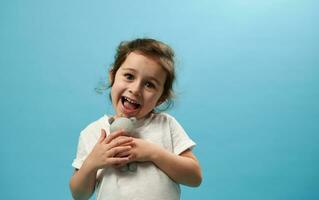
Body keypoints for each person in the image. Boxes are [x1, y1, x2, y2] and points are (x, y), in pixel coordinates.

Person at [69, 38, 202, 200]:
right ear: (113, 76)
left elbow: (195, 177)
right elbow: (79, 195)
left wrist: (152, 153)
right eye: (129, 76)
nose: (136, 89)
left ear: (160, 98)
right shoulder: (93, 132)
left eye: (149, 85)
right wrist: (92, 163)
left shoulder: (165, 124)